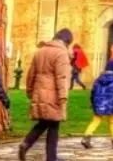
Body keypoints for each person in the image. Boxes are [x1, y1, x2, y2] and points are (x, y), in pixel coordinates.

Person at [19, 29, 73, 161]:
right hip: (53, 94)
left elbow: (31, 73)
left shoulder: (40, 51)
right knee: (54, 125)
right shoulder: (61, 53)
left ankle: (26, 144)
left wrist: (30, 90)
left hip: (40, 92)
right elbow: (62, 77)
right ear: (67, 41)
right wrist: (63, 96)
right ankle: (51, 157)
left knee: (45, 122)